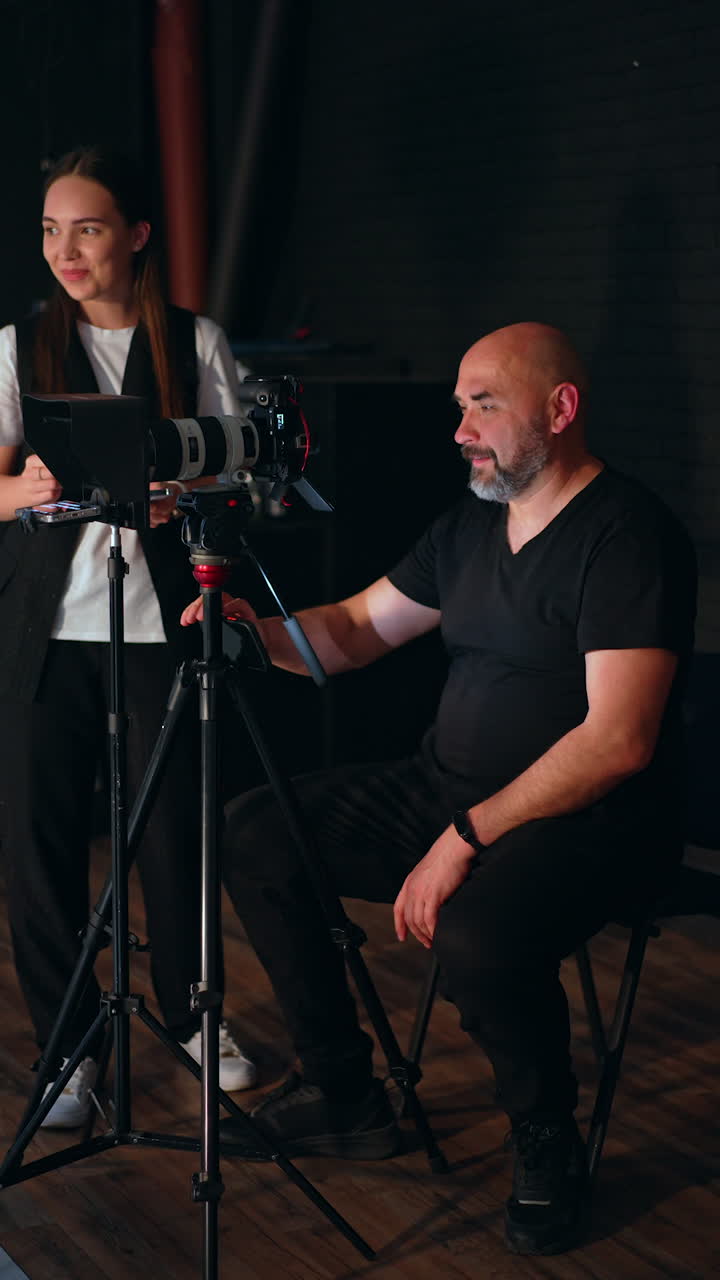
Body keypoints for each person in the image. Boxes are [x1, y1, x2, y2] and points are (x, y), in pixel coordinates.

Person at [181, 321, 696, 1256]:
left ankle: (547, 1137)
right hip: (446, 787)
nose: (460, 427)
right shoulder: (467, 526)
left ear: (560, 408)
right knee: (256, 830)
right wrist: (250, 631)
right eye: (459, 404)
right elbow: (355, 630)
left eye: (484, 403)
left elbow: (617, 742)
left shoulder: (626, 535)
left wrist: (463, 839)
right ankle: (343, 1091)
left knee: (475, 929)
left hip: (594, 822)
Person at [0, 145, 257, 1128]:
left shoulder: (193, 341)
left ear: (136, 234)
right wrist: (17, 489)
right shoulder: (17, 347)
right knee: (39, 841)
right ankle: (70, 1051)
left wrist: (187, 485)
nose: (65, 249)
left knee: (175, 827)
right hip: (46, 628)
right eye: (50, 230)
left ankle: (196, 1017)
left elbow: (236, 469)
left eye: (89, 227)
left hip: (162, 622)